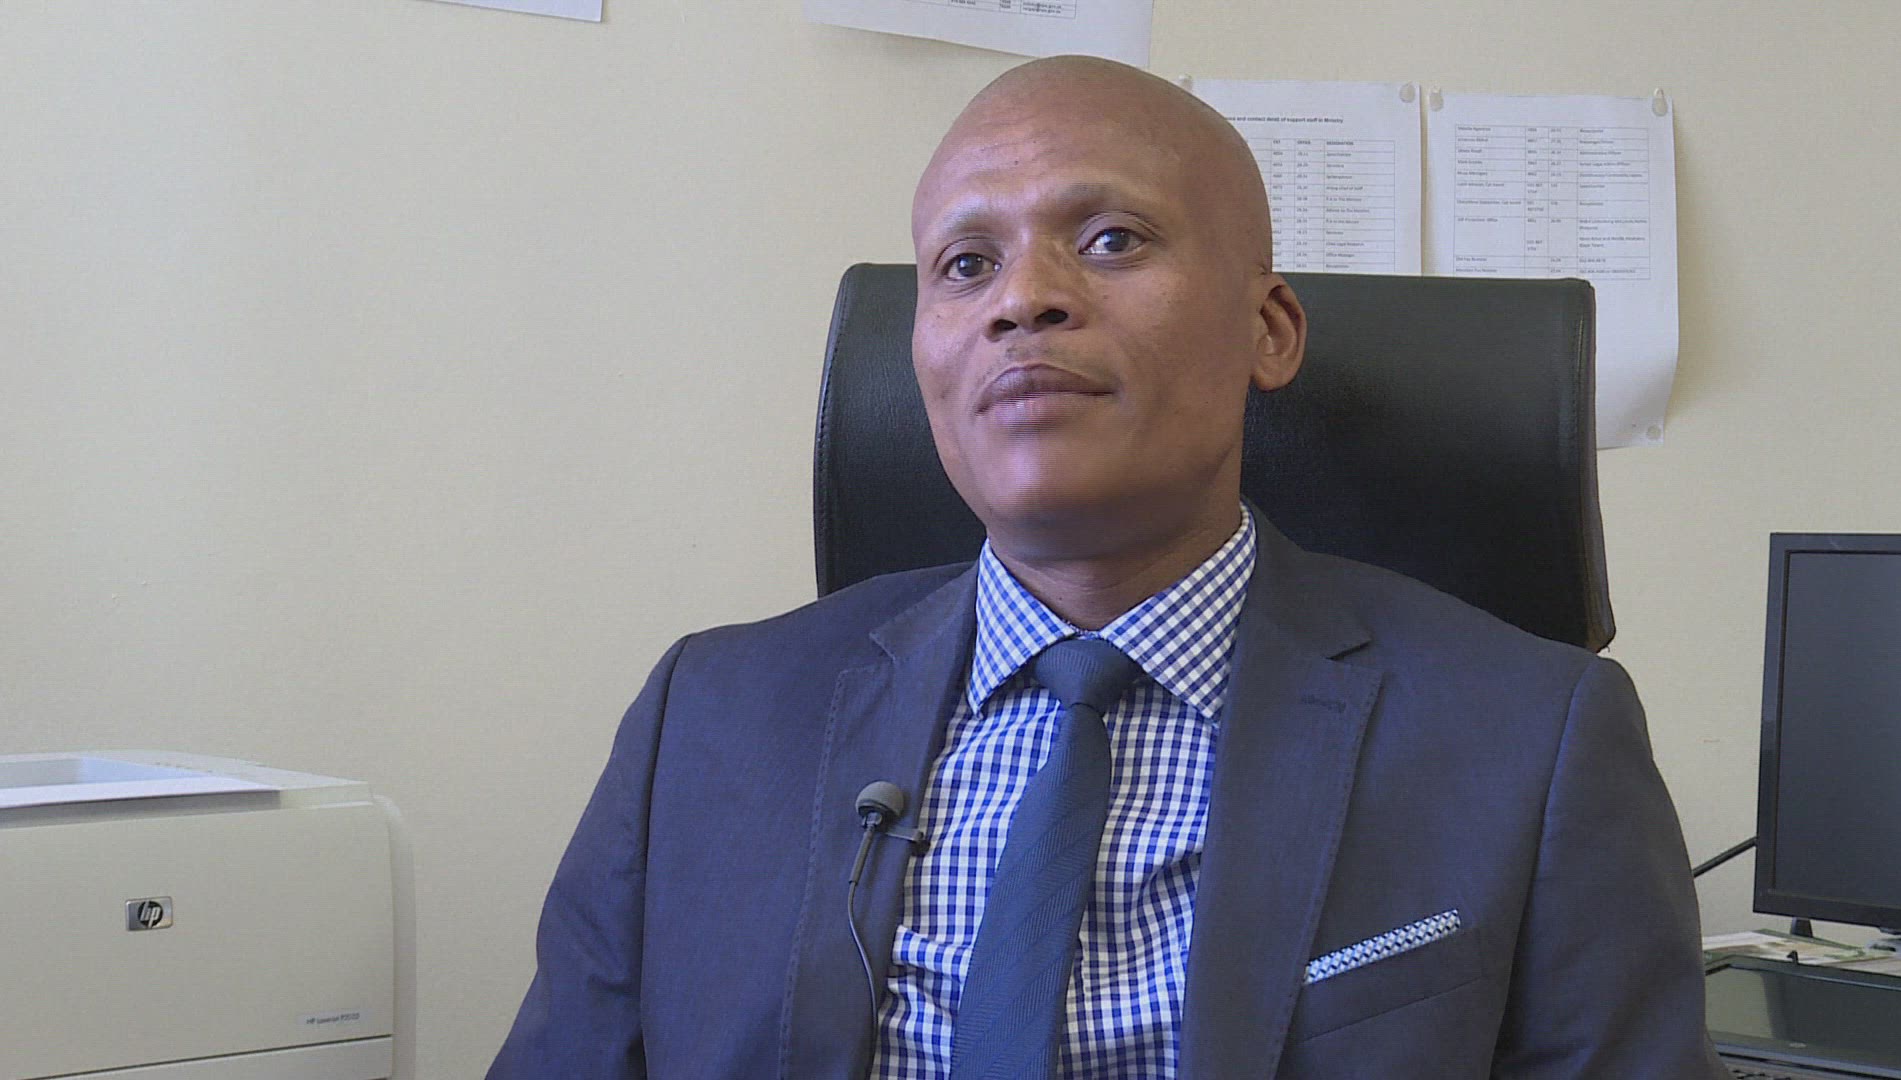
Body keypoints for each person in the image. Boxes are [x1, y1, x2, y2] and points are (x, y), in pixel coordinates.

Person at [489, 56, 1726, 1078]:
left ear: (1268, 329)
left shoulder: (1535, 740)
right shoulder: (706, 720)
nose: (1023, 299)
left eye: (1112, 238)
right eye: (965, 264)